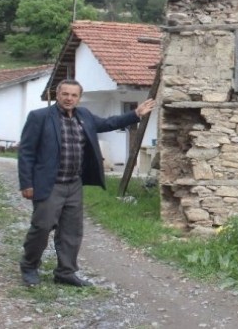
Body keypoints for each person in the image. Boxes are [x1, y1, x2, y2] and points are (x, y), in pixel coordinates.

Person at [18, 79, 156, 287]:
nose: (69, 98)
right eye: (65, 94)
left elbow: (109, 123)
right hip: (50, 184)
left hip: (73, 184)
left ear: (79, 98)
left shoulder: (84, 116)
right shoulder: (40, 117)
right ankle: (29, 267)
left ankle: (65, 272)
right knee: (42, 227)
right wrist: (26, 183)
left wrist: (135, 114)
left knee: (71, 230)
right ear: (57, 94)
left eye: (74, 95)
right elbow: (26, 152)